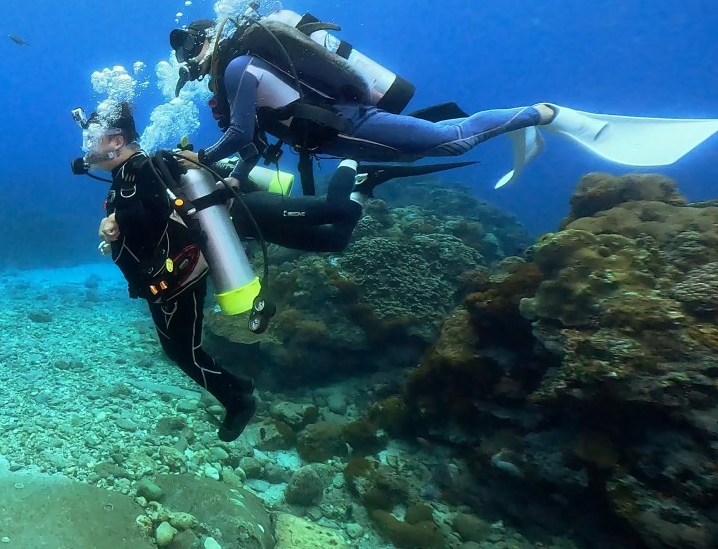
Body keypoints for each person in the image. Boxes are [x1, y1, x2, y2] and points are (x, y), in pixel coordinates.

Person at [73, 101, 461, 440]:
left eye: (93, 138)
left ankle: (351, 162)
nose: (87, 147)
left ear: (116, 141)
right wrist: (110, 223)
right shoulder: (122, 177)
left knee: (334, 212)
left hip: (229, 224)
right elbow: (139, 218)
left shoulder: (150, 166)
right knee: (335, 240)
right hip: (173, 273)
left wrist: (121, 222)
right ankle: (363, 184)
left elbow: (159, 212)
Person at [168, 12, 718, 189]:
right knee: (419, 149)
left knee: (450, 141)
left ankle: (546, 113)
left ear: (203, 49)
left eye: (190, 64)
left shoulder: (239, 66)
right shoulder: (242, 67)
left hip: (348, 122)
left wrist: (201, 160)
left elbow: (241, 136)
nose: (195, 75)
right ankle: (515, 125)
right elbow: (254, 144)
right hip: (342, 128)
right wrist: (234, 174)